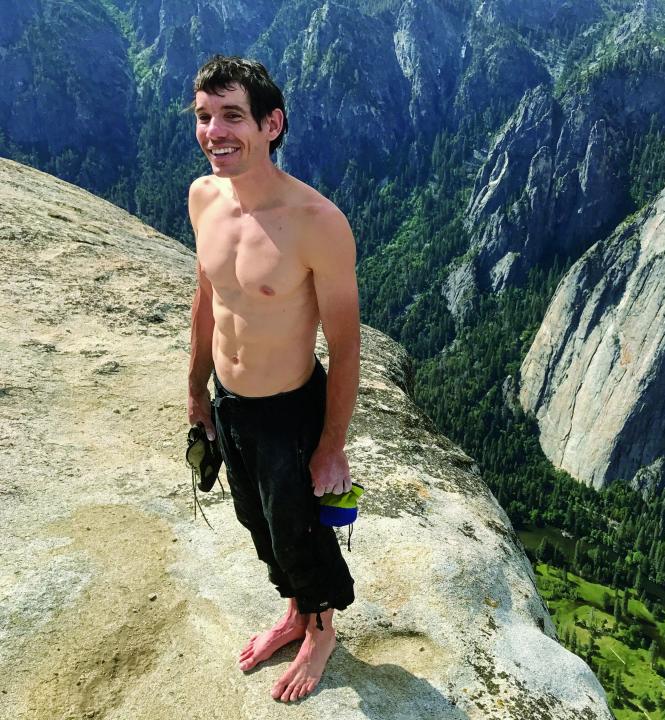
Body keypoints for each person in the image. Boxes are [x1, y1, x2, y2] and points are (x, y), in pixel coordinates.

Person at [186, 55, 361, 703]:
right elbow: (207, 300)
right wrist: (196, 396)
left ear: (272, 123)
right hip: (231, 404)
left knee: (300, 529)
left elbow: (345, 347)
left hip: (291, 410)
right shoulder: (204, 197)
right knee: (256, 521)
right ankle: (294, 612)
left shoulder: (317, 223)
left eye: (233, 115)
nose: (214, 131)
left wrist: (331, 445)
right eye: (204, 117)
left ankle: (320, 632)